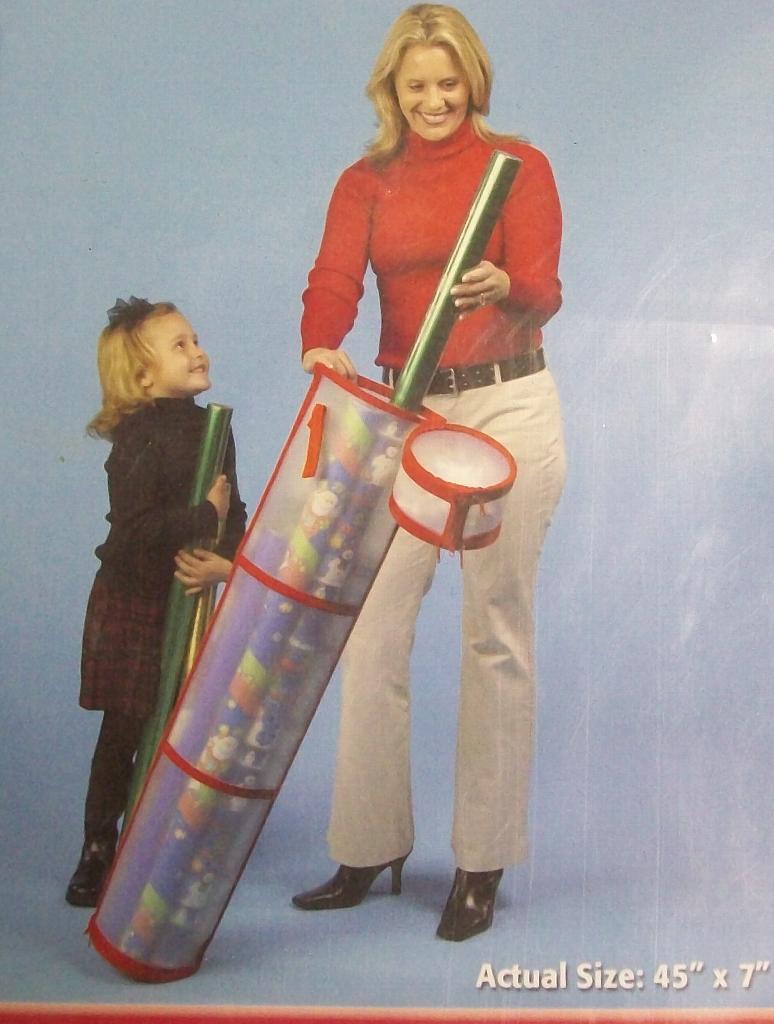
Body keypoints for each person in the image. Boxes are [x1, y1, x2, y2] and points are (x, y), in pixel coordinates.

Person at [292, 3, 567, 941]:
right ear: (393, 90)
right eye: (417, 86)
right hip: (410, 410)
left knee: (496, 628)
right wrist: (321, 343)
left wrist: (508, 286)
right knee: (372, 627)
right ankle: (368, 845)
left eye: (449, 83)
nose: (435, 99)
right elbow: (335, 278)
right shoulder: (364, 181)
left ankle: (481, 864)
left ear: (472, 82)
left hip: (507, 404)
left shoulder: (518, 167)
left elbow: (546, 285)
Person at [65, 297, 246, 907]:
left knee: (177, 722)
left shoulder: (214, 428)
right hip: (134, 598)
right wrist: (203, 517)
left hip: (184, 597)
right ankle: (98, 846)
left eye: (196, 339)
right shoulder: (137, 436)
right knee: (125, 726)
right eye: (180, 346)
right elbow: (137, 529)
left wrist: (225, 563)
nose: (198, 352)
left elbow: (234, 514)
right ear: (143, 377)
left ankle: (158, 837)